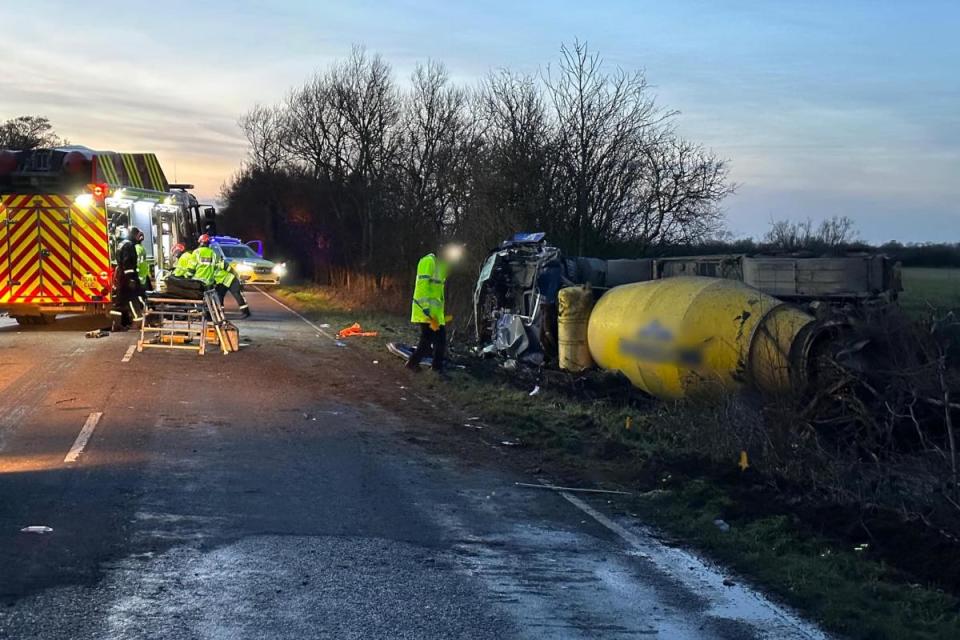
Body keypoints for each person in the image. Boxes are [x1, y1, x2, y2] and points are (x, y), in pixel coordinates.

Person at [406, 243, 464, 372]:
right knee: (430, 339)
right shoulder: (428, 261)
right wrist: (425, 308)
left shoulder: (442, 265)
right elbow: (422, 286)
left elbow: (439, 288)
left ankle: (432, 366)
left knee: (436, 339)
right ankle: (424, 365)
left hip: (435, 312)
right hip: (425, 309)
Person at [110, 227, 145, 331]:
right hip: (127, 277)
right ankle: (137, 322)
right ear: (135, 235)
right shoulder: (129, 245)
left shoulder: (122, 244)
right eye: (139, 236)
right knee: (133, 299)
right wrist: (131, 279)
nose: (140, 239)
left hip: (122, 277)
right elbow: (128, 262)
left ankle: (116, 324)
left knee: (119, 302)